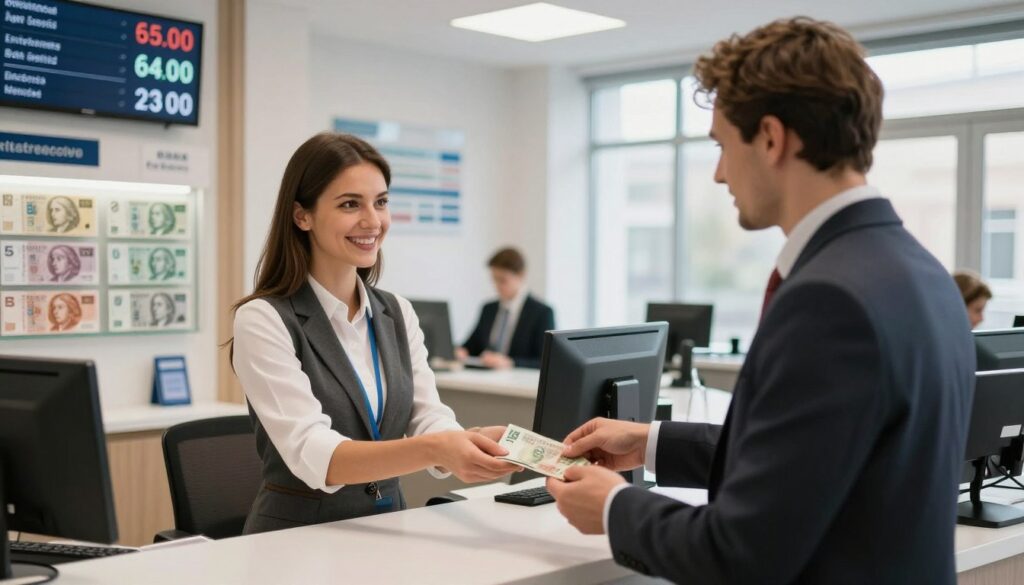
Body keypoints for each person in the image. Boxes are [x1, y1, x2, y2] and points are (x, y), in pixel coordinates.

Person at [546, 17, 974, 584]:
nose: (720, 174)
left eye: (723, 146)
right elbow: (817, 456)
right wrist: (651, 442)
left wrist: (612, 507)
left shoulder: (829, 301)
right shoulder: (920, 271)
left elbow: (742, 554)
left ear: (771, 138)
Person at [230, 132, 520, 534]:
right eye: (351, 204)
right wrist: (438, 449)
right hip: (296, 541)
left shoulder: (396, 312)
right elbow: (318, 455)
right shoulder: (263, 319)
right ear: (302, 216)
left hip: (388, 528)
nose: (373, 221)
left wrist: (464, 442)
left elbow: (426, 416)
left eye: (381, 202)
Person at [455, 247, 555, 369]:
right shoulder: (488, 309)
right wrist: (461, 351)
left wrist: (510, 362)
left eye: (502, 280)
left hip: (518, 383)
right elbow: (472, 345)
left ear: (520, 275)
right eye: (494, 280)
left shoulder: (541, 313)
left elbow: (545, 361)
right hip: (486, 378)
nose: (497, 286)